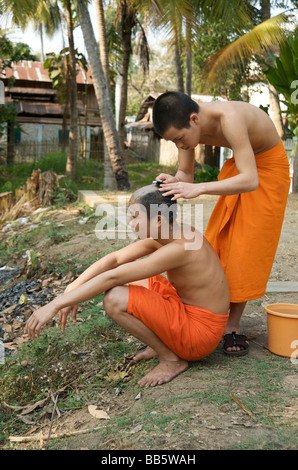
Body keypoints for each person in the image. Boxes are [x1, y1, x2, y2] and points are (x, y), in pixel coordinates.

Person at [25, 183, 230, 387]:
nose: (130, 223)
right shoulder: (170, 232)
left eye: (135, 216)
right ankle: (166, 342)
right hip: (185, 311)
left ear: (158, 219)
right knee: (130, 279)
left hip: (199, 336)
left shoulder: (181, 246)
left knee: (114, 298)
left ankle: (171, 359)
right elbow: (115, 259)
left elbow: (112, 277)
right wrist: (73, 288)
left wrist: (55, 304)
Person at [152, 91, 291, 356]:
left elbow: (251, 180)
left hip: (267, 170)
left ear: (194, 119)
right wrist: (172, 182)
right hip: (241, 166)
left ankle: (232, 326)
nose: (180, 146)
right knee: (220, 239)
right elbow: (186, 174)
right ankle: (208, 312)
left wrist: (198, 189)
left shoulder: (231, 117)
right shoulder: (185, 129)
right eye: (173, 142)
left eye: (179, 139)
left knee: (245, 247)